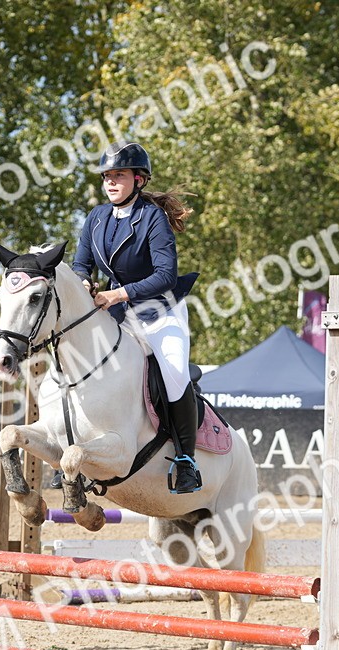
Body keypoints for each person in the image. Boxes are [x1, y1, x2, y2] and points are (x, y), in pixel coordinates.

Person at [71, 141, 202, 494]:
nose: (111, 182)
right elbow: (81, 262)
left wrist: (116, 293)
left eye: (119, 175)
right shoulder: (96, 217)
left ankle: (187, 460)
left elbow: (165, 275)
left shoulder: (152, 218)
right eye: (107, 176)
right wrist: (83, 281)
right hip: (119, 314)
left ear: (139, 179)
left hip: (161, 311)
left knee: (174, 374)